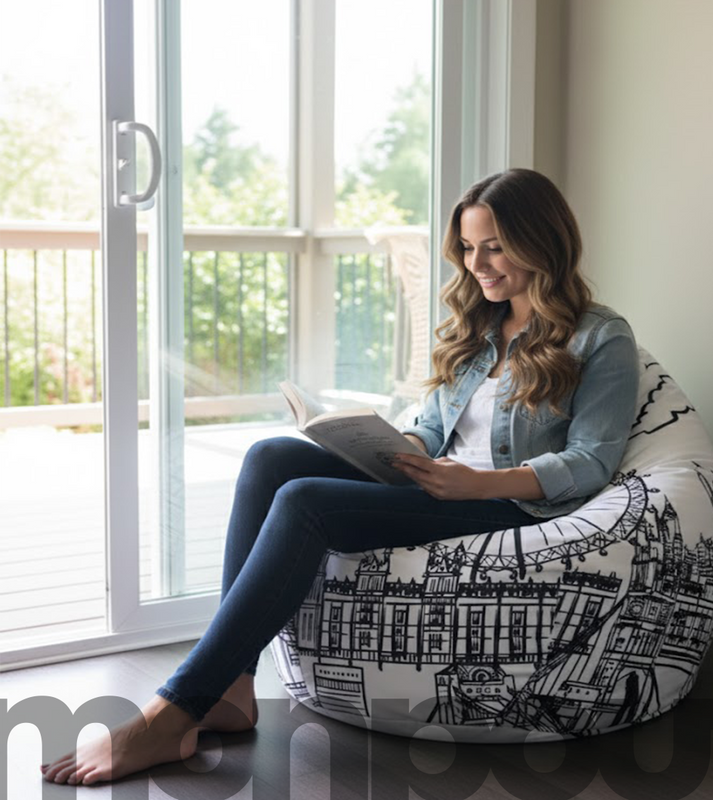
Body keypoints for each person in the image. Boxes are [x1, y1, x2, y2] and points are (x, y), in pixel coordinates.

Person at [40, 168, 639, 785]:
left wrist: (478, 483)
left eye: (494, 247)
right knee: (271, 457)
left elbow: (592, 461)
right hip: (439, 483)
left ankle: (176, 708)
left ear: (543, 242)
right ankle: (235, 686)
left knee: (306, 502)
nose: (477, 264)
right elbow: (433, 430)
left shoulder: (601, 337)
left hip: (507, 503)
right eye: (467, 246)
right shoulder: (482, 327)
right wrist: (389, 450)